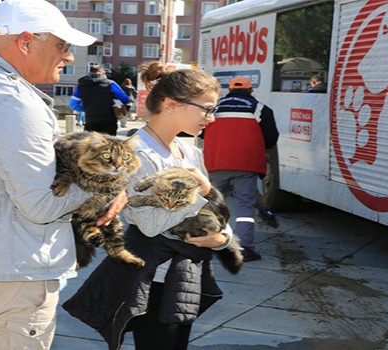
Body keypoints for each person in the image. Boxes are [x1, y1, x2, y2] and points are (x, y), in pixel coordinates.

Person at [0, 1, 127, 349]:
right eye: (63, 46)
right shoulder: (12, 101)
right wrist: (106, 190)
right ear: (25, 42)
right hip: (8, 273)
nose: (67, 57)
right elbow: (41, 205)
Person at [62, 61, 234, 350]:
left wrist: (222, 237)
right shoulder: (137, 153)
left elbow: (214, 209)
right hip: (154, 279)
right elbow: (150, 224)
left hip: (188, 274)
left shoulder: (189, 151)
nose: (211, 118)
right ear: (171, 104)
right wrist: (202, 193)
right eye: (206, 108)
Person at [202, 77, 279, 262]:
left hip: (217, 162)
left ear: (229, 90)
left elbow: (202, 132)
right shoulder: (260, 109)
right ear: (251, 90)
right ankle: (245, 248)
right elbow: (271, 139)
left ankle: (212, 244)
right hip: (246, 164)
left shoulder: (214, 107)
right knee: (244, 206)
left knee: (214, 205)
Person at [77, 65, 129, 135]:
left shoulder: (82, 84)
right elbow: (125, 99)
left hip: (90, 121)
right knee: (108, 144)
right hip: (109, 121)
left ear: (89, 73)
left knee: (90, 144)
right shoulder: (110, 83)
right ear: (103, 73)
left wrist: (86, 109)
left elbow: (73, 103)